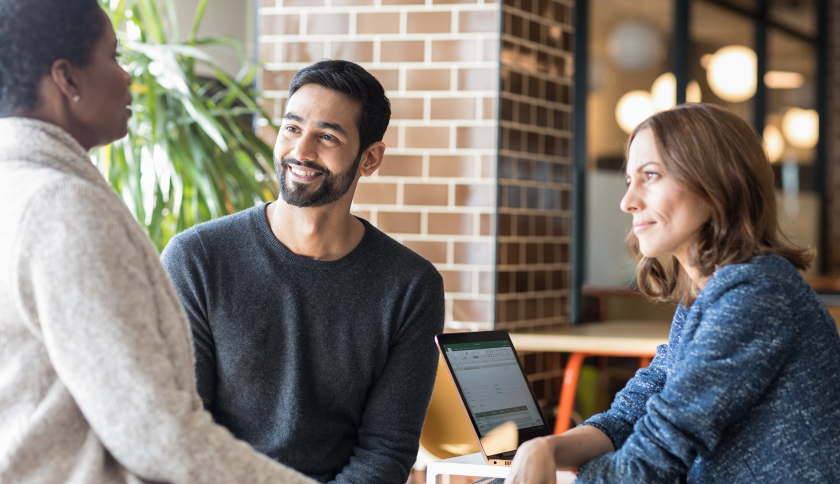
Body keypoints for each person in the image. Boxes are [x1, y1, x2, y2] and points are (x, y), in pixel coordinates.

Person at [0, 1, 318, 483]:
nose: (128, 76)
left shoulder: (17, 186)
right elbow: (155, 433)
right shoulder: (61, 205)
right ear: (67, 79)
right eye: (113, 56)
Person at [503, 103, 840, 484]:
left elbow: (655, 458)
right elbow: (632, 415)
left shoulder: (756, 295)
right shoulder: (703, 297)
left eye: (651, 175)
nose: (627, 201)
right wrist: (544, 449)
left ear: (717, 184)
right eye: (630, 179)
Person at [160, 59, 446, 484]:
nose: (301, 151)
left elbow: (386, 451)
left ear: (370, 159)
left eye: (327, 136)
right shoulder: (197, 258)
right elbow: (182, 429)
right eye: (292, 128)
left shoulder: (411, 286)